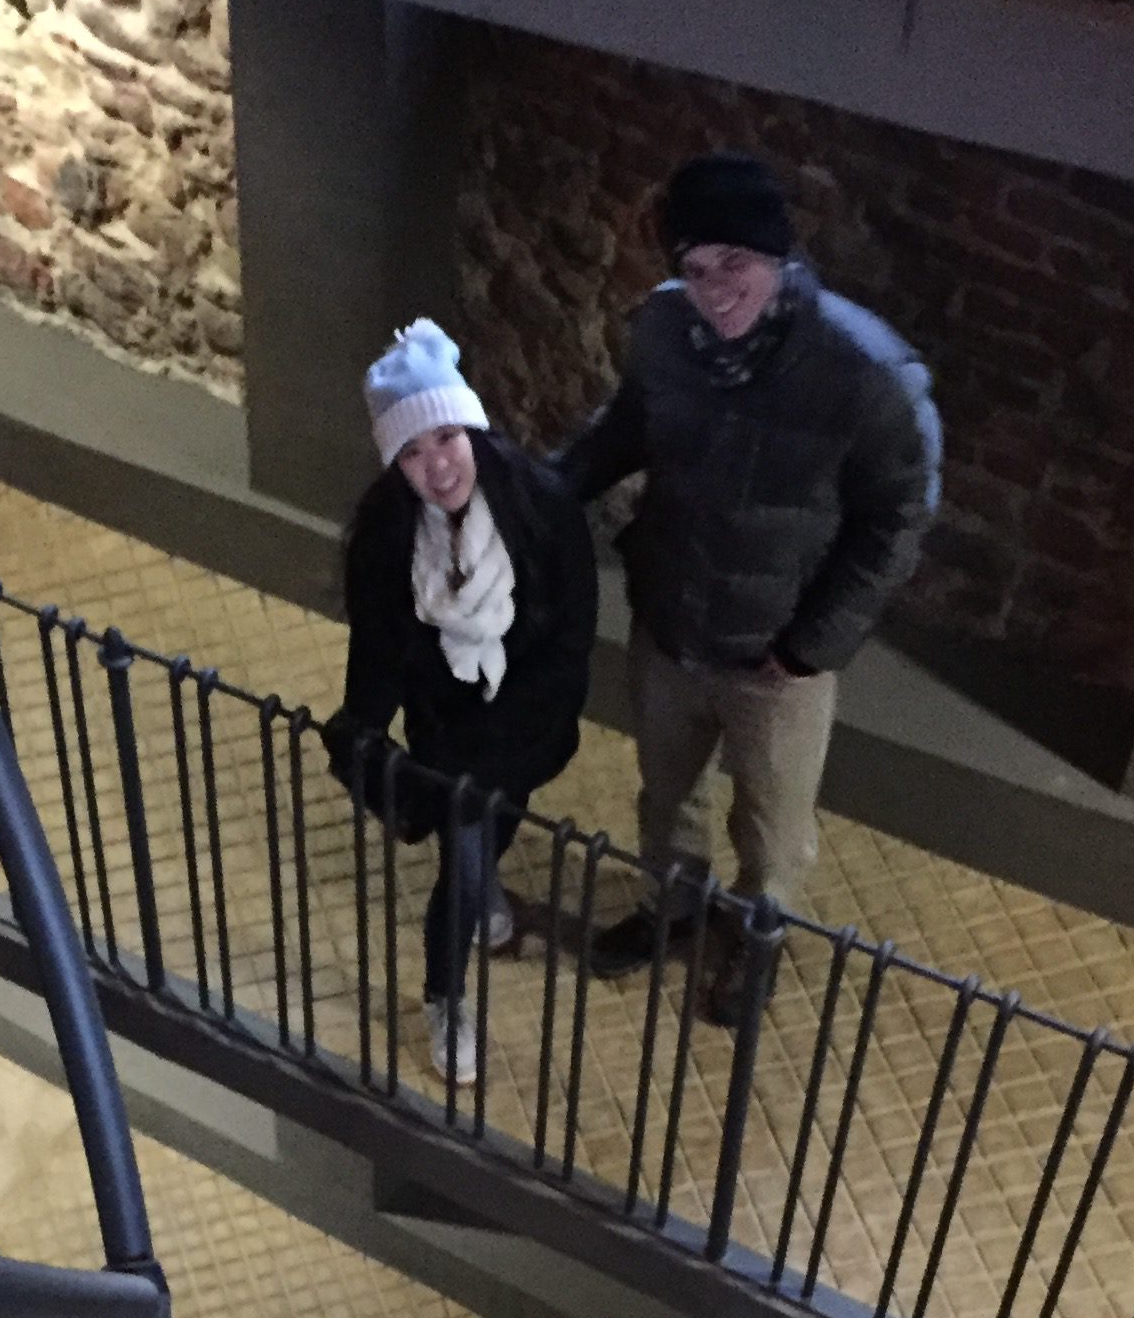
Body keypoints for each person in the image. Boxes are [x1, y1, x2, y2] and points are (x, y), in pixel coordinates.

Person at [554, 152, 939, 1019]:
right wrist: (549, 488)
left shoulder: (863, 373)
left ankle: (758, 935)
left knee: (770, 827)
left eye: (738, 263)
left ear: (780, 259)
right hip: (672, 620)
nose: (716, 287)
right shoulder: (664, 331)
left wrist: (810, 646)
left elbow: (898, 518)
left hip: (777, 657)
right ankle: (673, 905)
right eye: (695, 267)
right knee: (666, 794)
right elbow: (629, 425)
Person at [329, 320, 598, 1088]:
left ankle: (485, 899)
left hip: (524, 722)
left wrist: (525, 736)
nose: (435, 466)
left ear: (470, 425)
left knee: (491, 828)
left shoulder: (540, 509)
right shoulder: (388, 533)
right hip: (446, 730)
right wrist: (364, 729)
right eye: (411, 453)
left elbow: (570, 634)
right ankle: (446, 993)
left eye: (444, 438)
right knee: (464, 850)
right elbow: (378, 642)